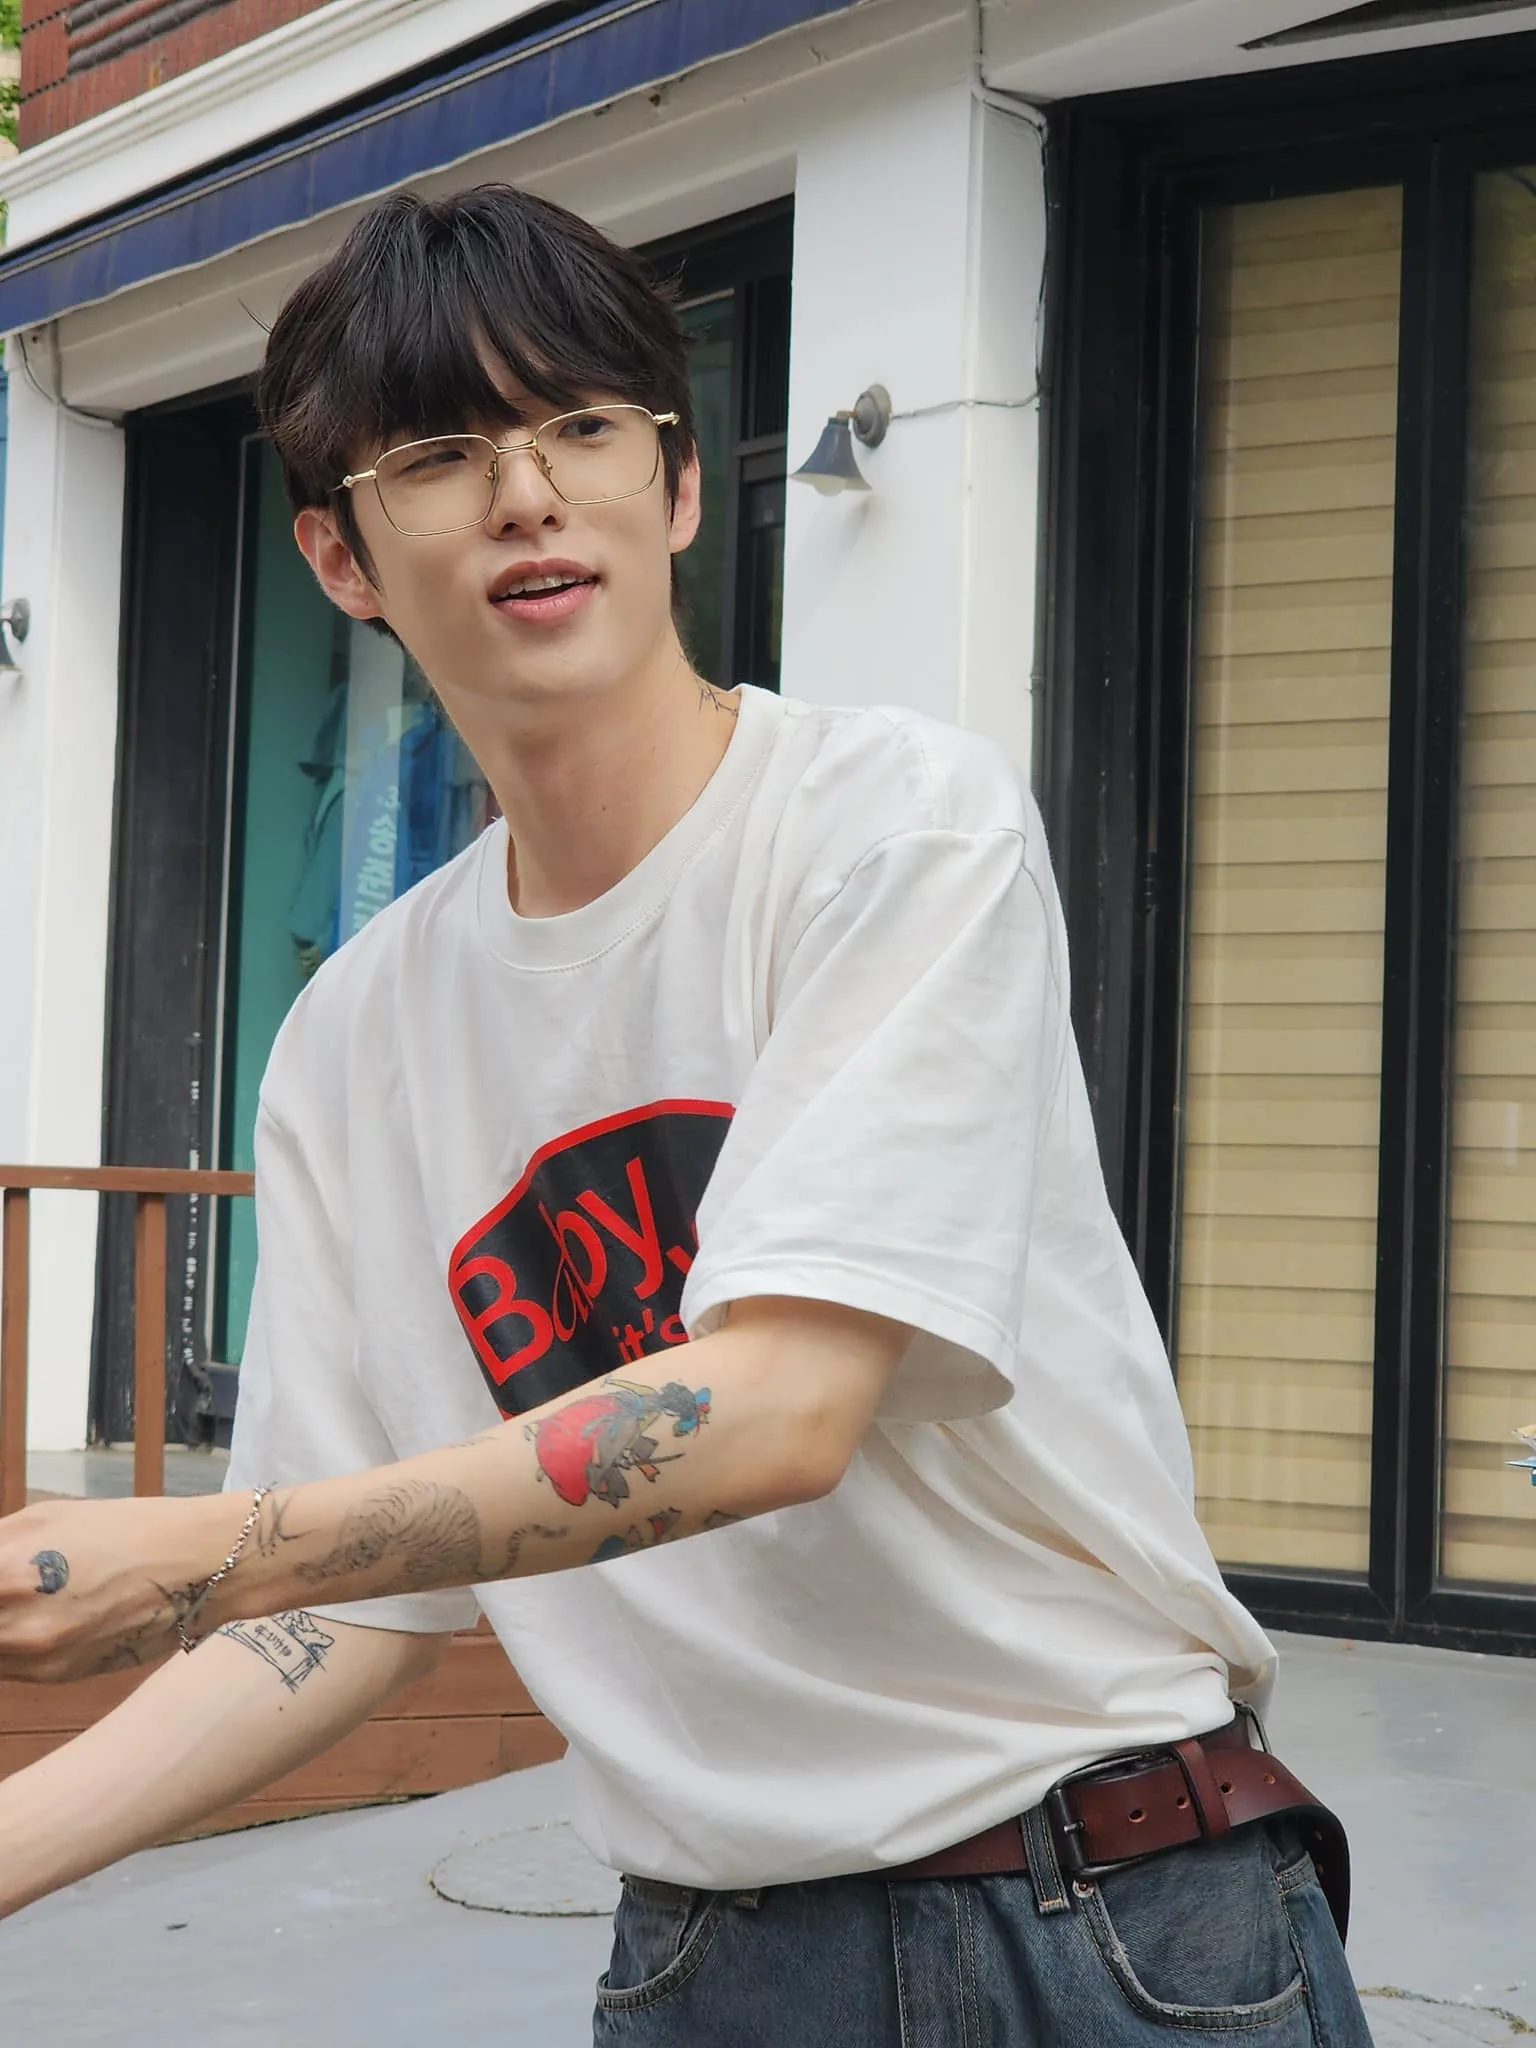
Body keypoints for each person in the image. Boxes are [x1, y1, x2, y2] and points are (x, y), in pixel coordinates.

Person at [0, 185, 1371, 2047]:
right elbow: (340, 1619)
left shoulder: (892, 829)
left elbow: (783, 1407)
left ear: (676, 488)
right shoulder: (350, 1037)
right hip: (712, 1954)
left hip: (1108, 1912)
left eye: (582, 427)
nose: (528, 497)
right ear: (339, 556)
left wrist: (195, 1550)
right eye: (441, 456)